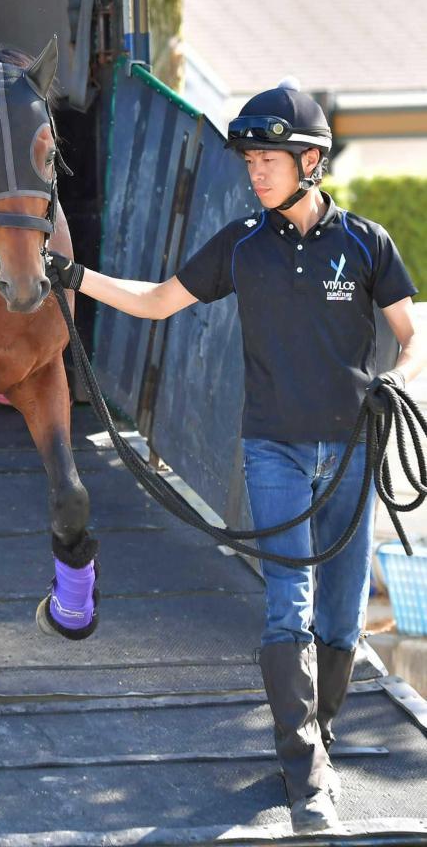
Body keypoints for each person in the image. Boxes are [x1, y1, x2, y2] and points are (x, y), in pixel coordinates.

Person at [47, 79, 424, 833]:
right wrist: (78, 278)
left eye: (270, 158)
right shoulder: (242, 247)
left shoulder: (366, 244)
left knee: (343, 621)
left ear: (310, 160)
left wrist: (394, 378)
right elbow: (159, 300)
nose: (256, 170)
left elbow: (410, 336)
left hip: (353, 452)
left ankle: (318, 729)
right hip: (275, 450)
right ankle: (305, 772)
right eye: (250, 158)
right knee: (290, 602)